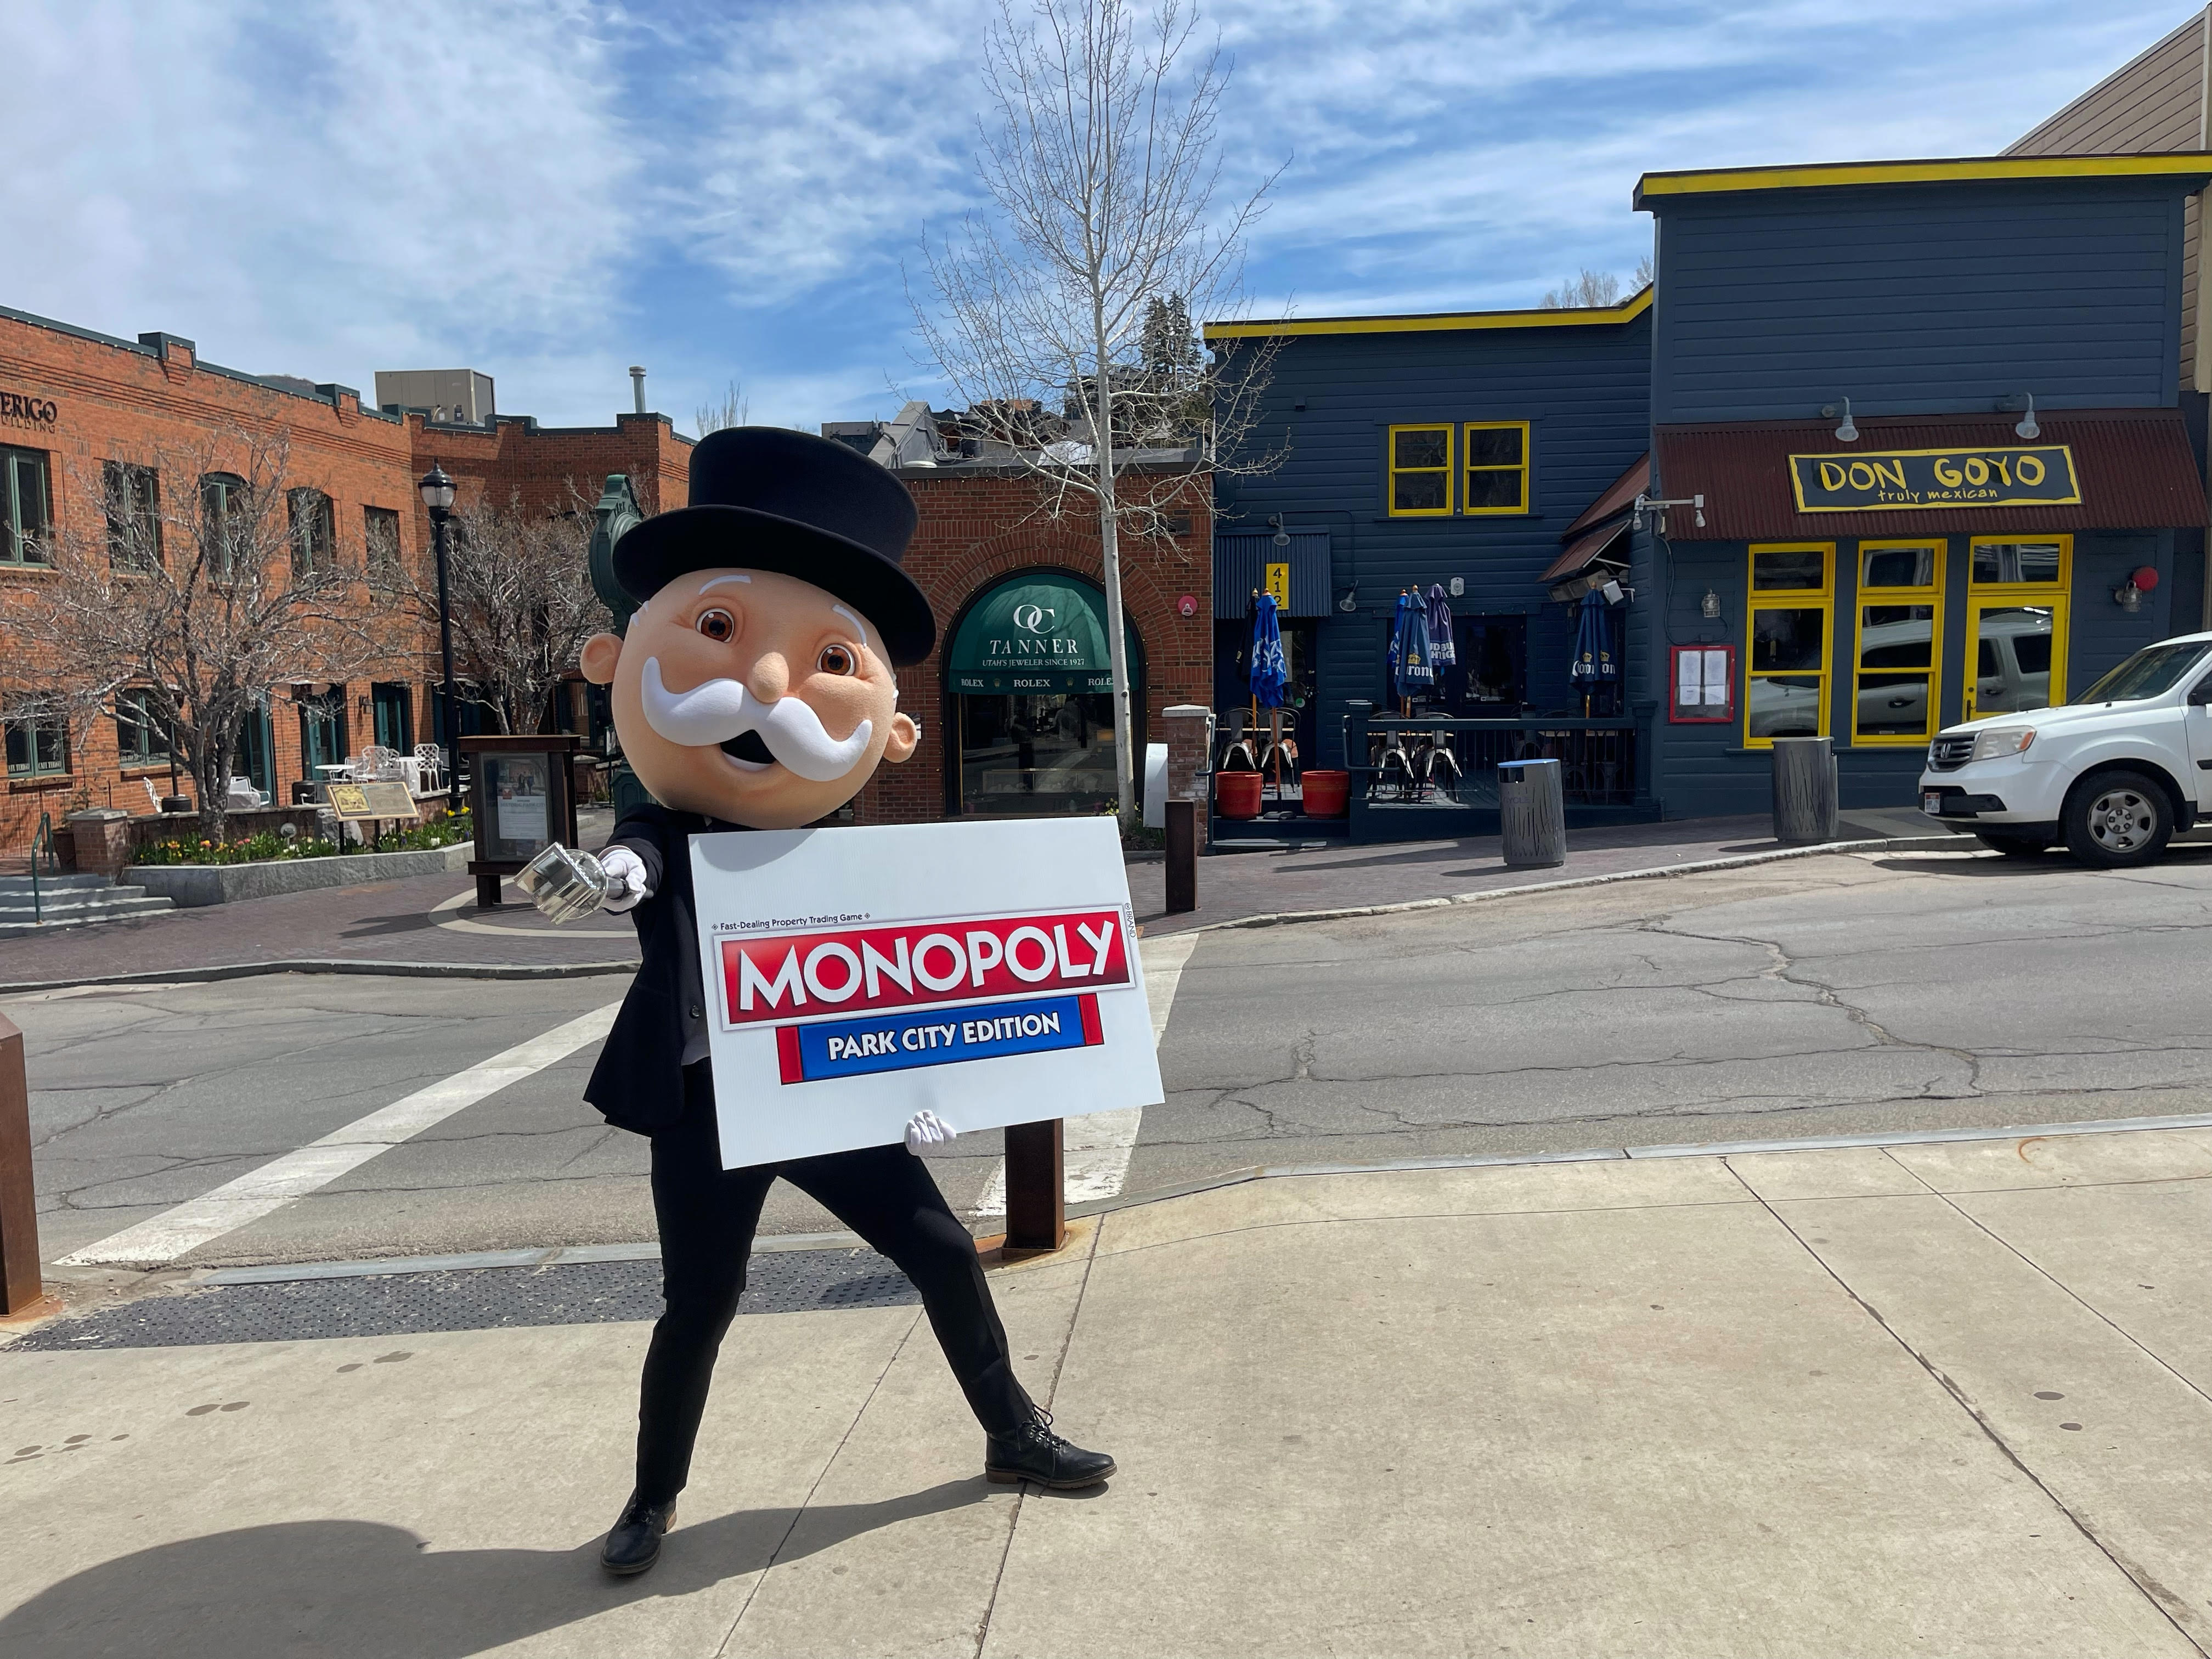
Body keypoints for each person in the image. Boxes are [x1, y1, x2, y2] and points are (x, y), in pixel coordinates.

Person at [575, 427, 1114, 1579]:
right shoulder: (665, 829)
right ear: (612, 659)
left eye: (824, 662)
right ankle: (651, 1498)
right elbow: (645, 855)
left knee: (942, 1253)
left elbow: (906, 986)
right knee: (698, 1308)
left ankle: (1013, 1434)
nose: (768, 686)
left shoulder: (847, 861)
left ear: (895, 731)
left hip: (826, 1098)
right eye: (720, 631)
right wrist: (620, 870)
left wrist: (922, 1084)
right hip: (711, 1104)